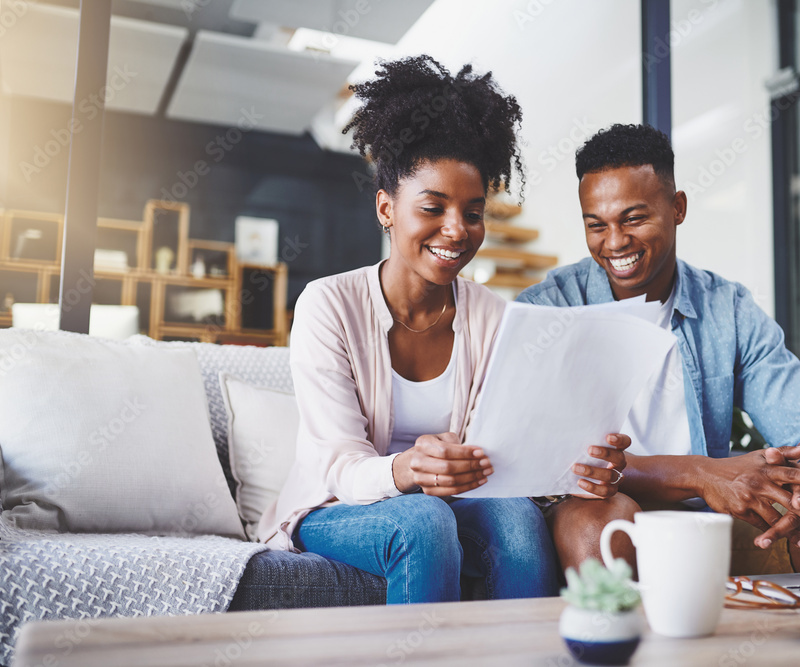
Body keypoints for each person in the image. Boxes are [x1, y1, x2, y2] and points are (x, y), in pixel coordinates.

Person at [259, 56, 627, 603]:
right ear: (387, 208)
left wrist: (578, 464)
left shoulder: (493, 317)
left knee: (519, 523)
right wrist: (409, 470)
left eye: (473, 212)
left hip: (455, 498)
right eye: (433, 207)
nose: (456, 230)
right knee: (424, 521)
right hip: (335, 503)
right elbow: (339, 465)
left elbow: (504, 450)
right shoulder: (328, 305)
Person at [518, 123, 800, 575]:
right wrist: (701, 473)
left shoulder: (726, 307)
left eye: (634, 219)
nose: (614, 242)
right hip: (600, 515)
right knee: (601, 517)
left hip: (704, 520)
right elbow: (559, 463)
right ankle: (621, 642)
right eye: (597, 225)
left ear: (677, 207)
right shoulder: (548, 309)